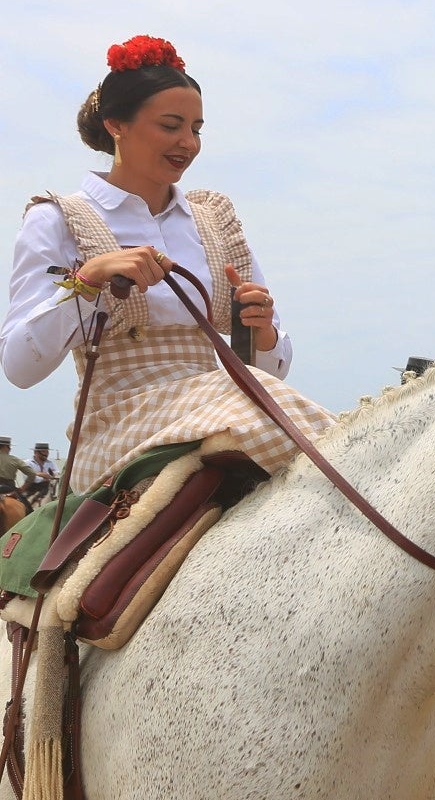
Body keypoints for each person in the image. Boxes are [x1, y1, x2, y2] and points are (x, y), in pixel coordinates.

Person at [1, 35, 332, 492]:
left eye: (196, 129)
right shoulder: (58, 219)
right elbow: (19, 367)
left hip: (220, 408)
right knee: (267, 414)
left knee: (287, 421)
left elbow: (269, 374)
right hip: (117, 426)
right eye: (171, 126)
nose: (187, 143)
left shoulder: (214, 220)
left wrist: (261, 332)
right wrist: (88, 280)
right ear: (116, 124)